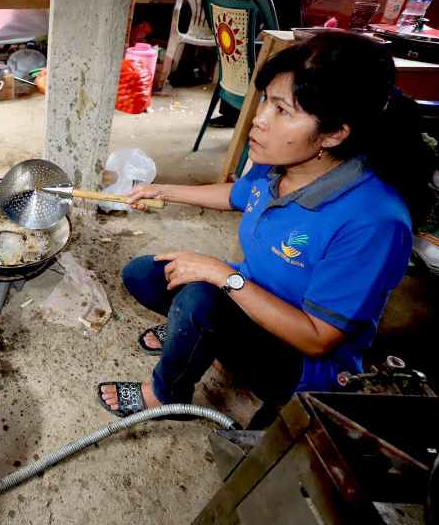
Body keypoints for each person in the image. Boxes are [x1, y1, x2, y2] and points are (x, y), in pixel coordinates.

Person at [98, 31, 433, 428]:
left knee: (199, 298)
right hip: (253, 298)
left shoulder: (374, 221)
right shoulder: (279, 161)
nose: (259, 120)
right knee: (145, 275)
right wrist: (163, 190)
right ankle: (198, 336)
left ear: (334, 133)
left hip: (304, 361)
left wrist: (224, 276)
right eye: (266, 101)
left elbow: (318, 338)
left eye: (282, 111)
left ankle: (166, 393)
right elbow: (239, 195)